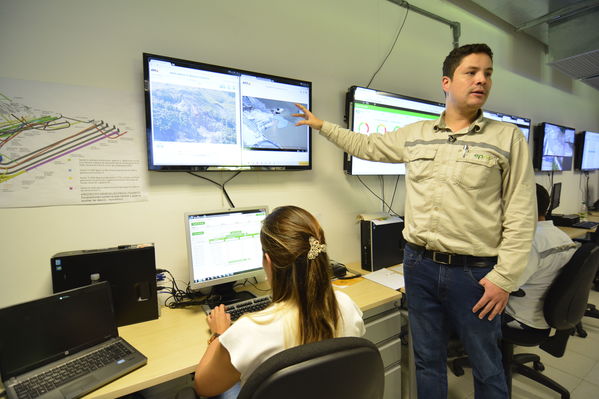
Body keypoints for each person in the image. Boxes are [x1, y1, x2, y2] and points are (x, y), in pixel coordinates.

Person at [294, 43, 536, 398]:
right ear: (447, 82)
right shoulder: (416, 133)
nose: (482, 80)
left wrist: (505, 278)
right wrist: (322, 126)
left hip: (475, 273)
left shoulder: (507, 138)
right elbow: (368, 146)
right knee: (427, 360)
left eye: (488, 73)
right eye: (471, 72)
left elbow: (521, 211)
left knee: (487, 365)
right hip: (419, 265)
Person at [193, 205, 365, 398]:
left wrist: (219, 334)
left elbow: (203, 386)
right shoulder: (346, 305)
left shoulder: (250, 329)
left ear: (268, 261)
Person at [504, 184, 578, 332]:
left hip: (521, 319)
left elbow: (507, 285)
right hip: (549, 315)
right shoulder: (564, 238)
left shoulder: (528, 243)